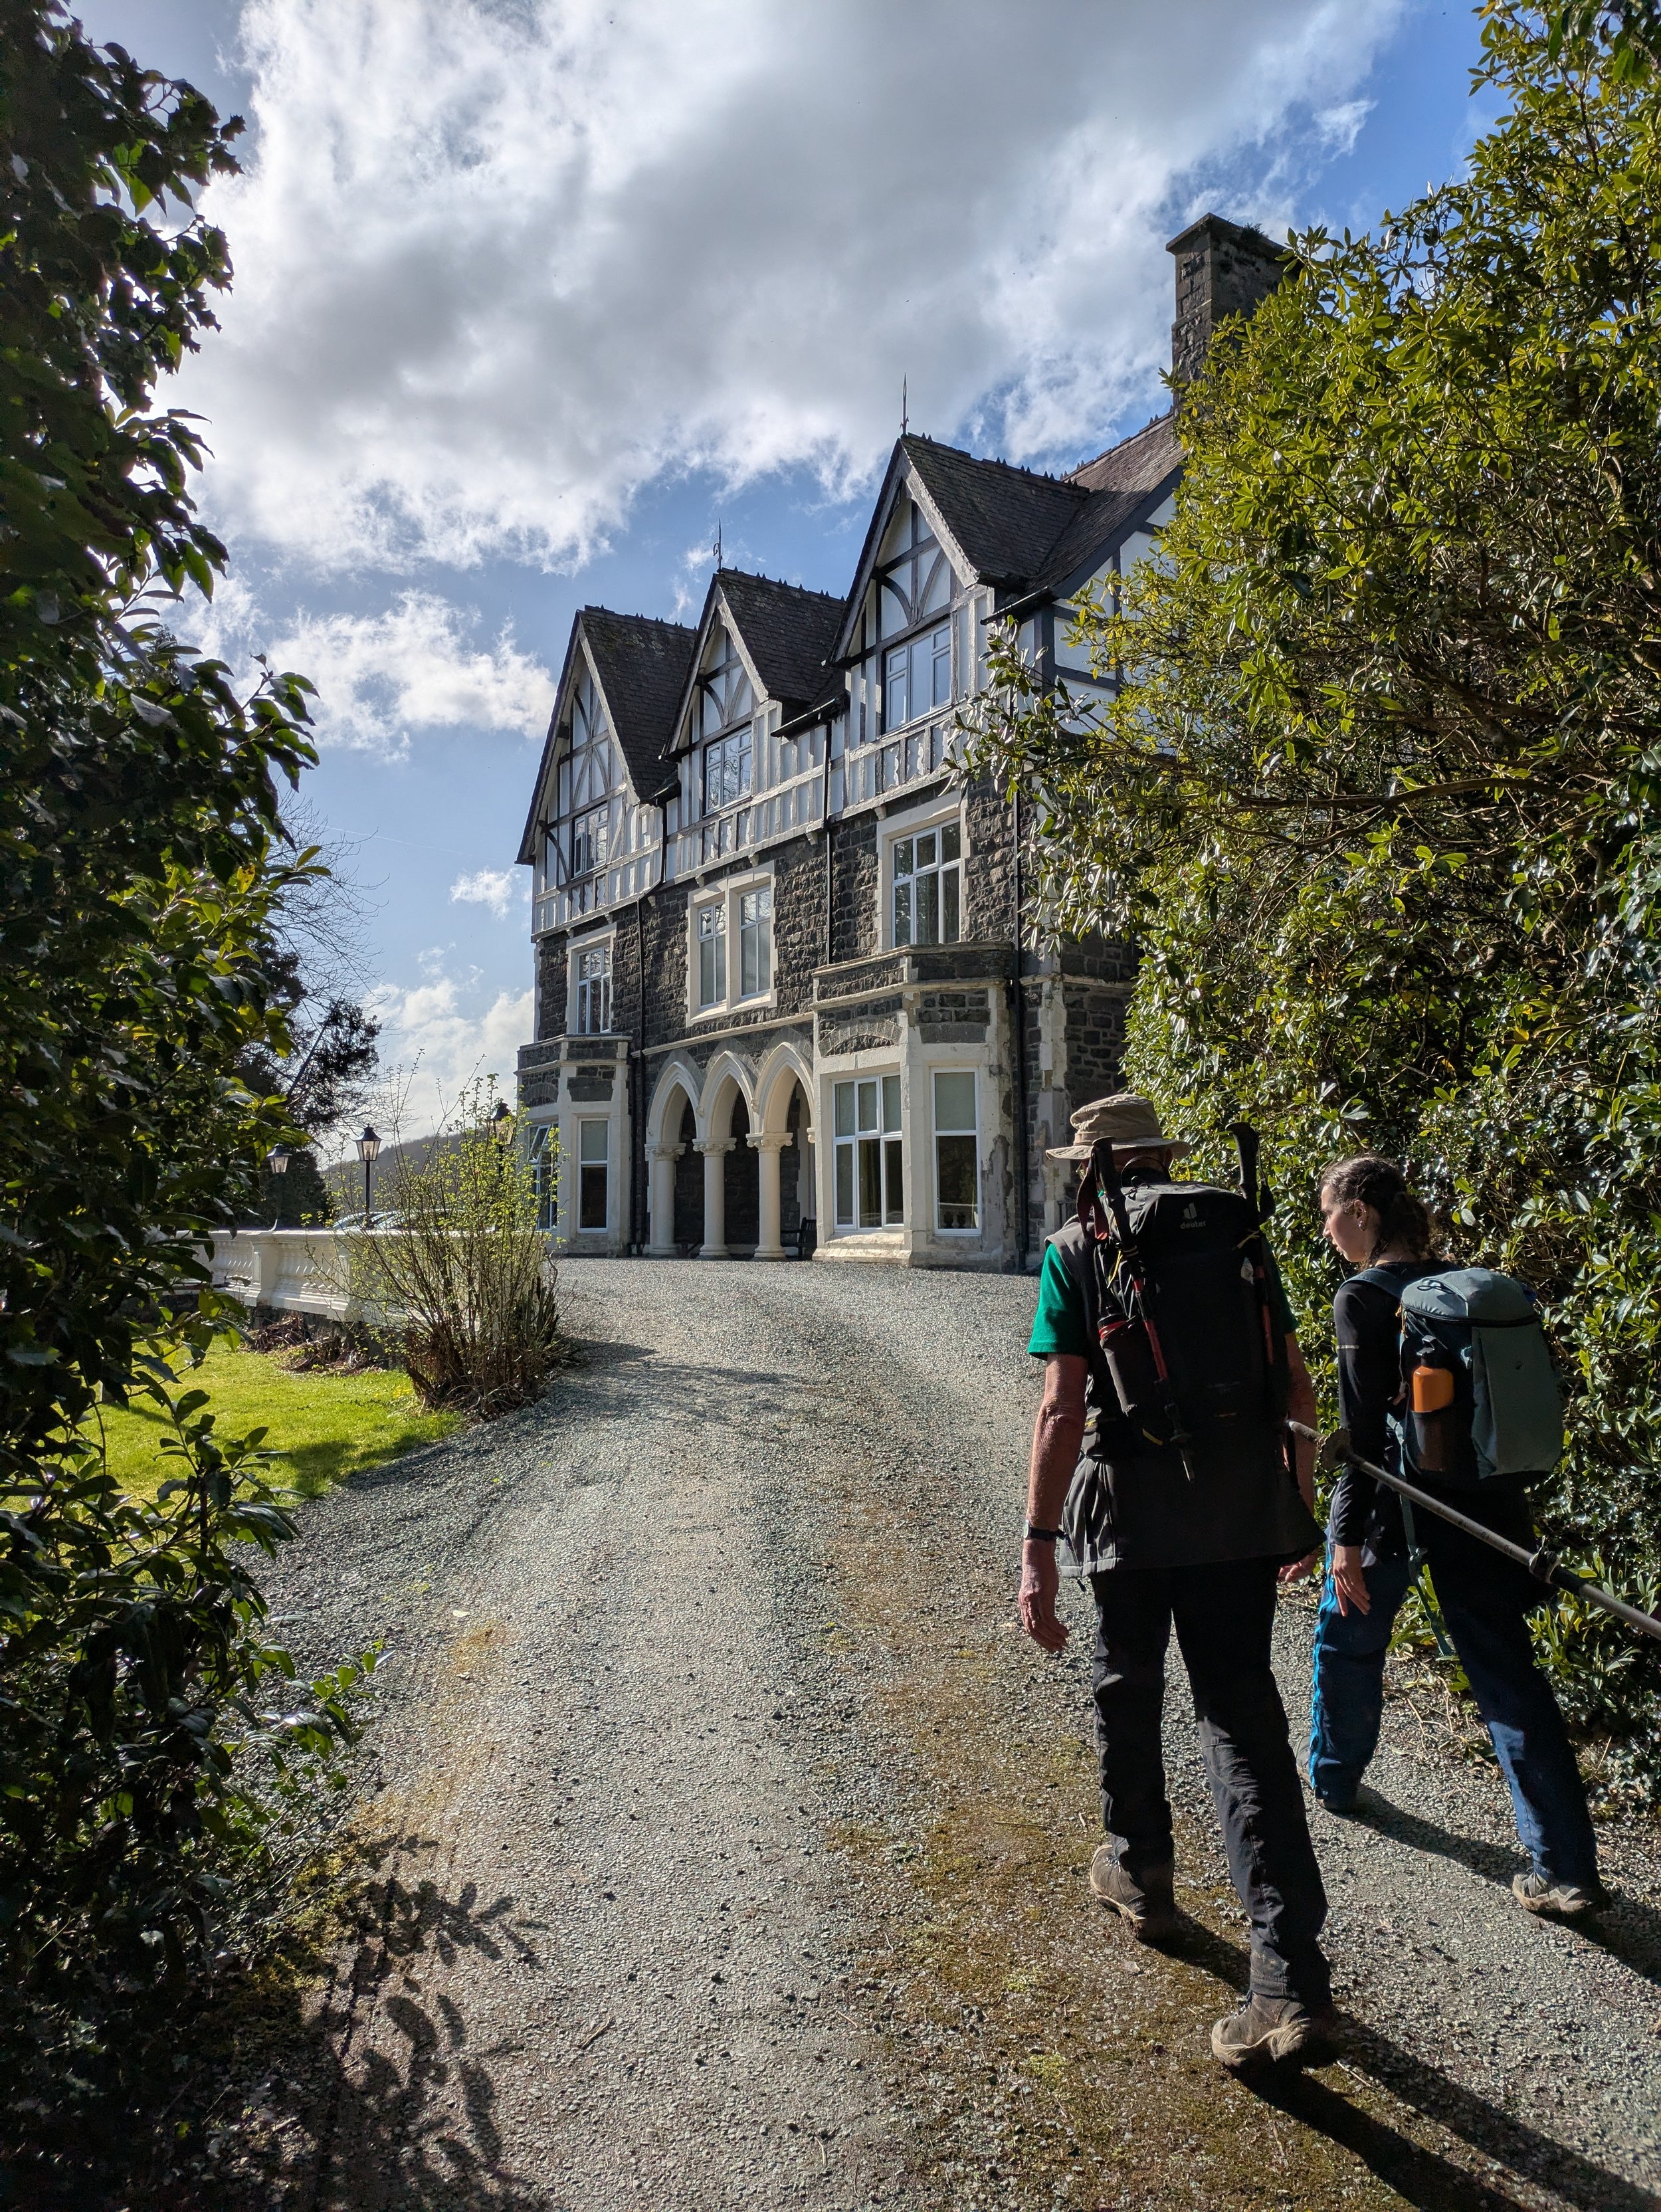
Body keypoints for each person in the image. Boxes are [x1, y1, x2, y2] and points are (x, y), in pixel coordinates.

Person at [1020, 1092, 1338, 2072]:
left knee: (1129, 1684)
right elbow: (1293, 1381)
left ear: (1094, 1165)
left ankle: (1141, 1869)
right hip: (1240, 1506)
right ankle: (1289, 1980)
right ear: (1164, 1156)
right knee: (1244, 1718)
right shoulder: (1235, 1226)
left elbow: (1062, 1408)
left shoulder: (1079, 1246)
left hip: (1131, 1512)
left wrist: (1036, 1544)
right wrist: (1296, 1503)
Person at [1308, 1155, 1605, 1916]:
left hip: (1397, 1504)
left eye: (1329, 1212)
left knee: (1344, 1637)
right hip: (1485, 1511)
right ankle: (1565, 1868)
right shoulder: (1468, 1286)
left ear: (1363, 1213)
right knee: (1508, 1676)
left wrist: (1342, 1538)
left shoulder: (1362, 1297)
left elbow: (1365, 1439)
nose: (1325, 1228)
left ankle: (1334, 1779)